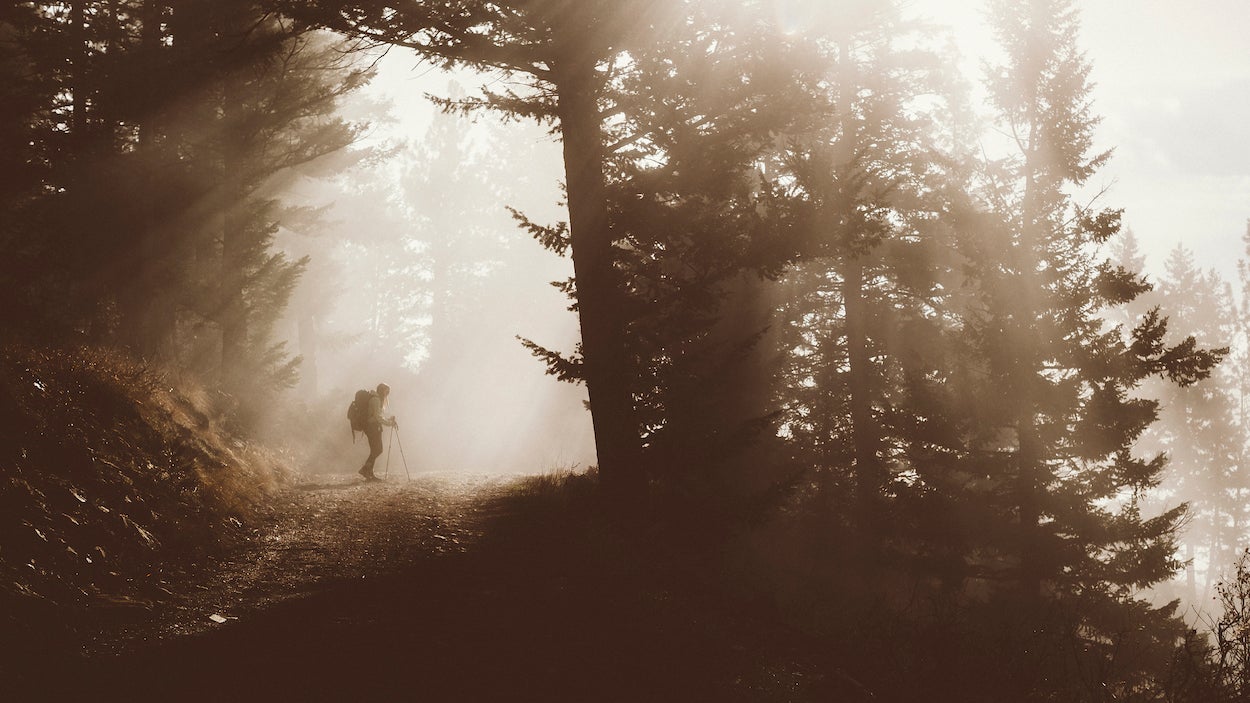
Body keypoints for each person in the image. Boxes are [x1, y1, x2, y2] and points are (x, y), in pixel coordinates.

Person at [359, 382, 398, 481]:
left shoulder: (376, 399)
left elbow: (378, 416)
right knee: (378, 450)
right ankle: (365, 470)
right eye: (386, 392)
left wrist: (389, 419)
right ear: (381, 390)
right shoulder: (376, 400)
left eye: (388, 392)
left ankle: (369, 474)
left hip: (373, 427)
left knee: (375, 450)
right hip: (372, 427)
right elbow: (377, 417)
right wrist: (390, 423)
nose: (386, 394)